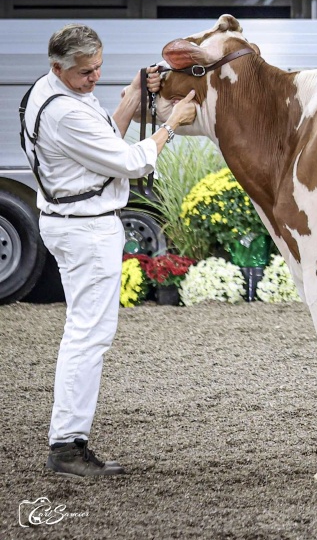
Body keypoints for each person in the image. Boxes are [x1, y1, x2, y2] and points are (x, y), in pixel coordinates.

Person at [22, 23, 196, 477]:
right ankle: (66, 447)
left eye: (98, 68)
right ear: (58, 66)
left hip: (73, 222)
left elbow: (106, 140)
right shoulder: (65, 113)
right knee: (88, 337)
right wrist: (171, 125)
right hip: (86, 230)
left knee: (84, 333)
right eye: (85, 72)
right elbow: (129, 161)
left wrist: (135, 92)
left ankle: (68, 442)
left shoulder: (47, 91)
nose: (94, 77)